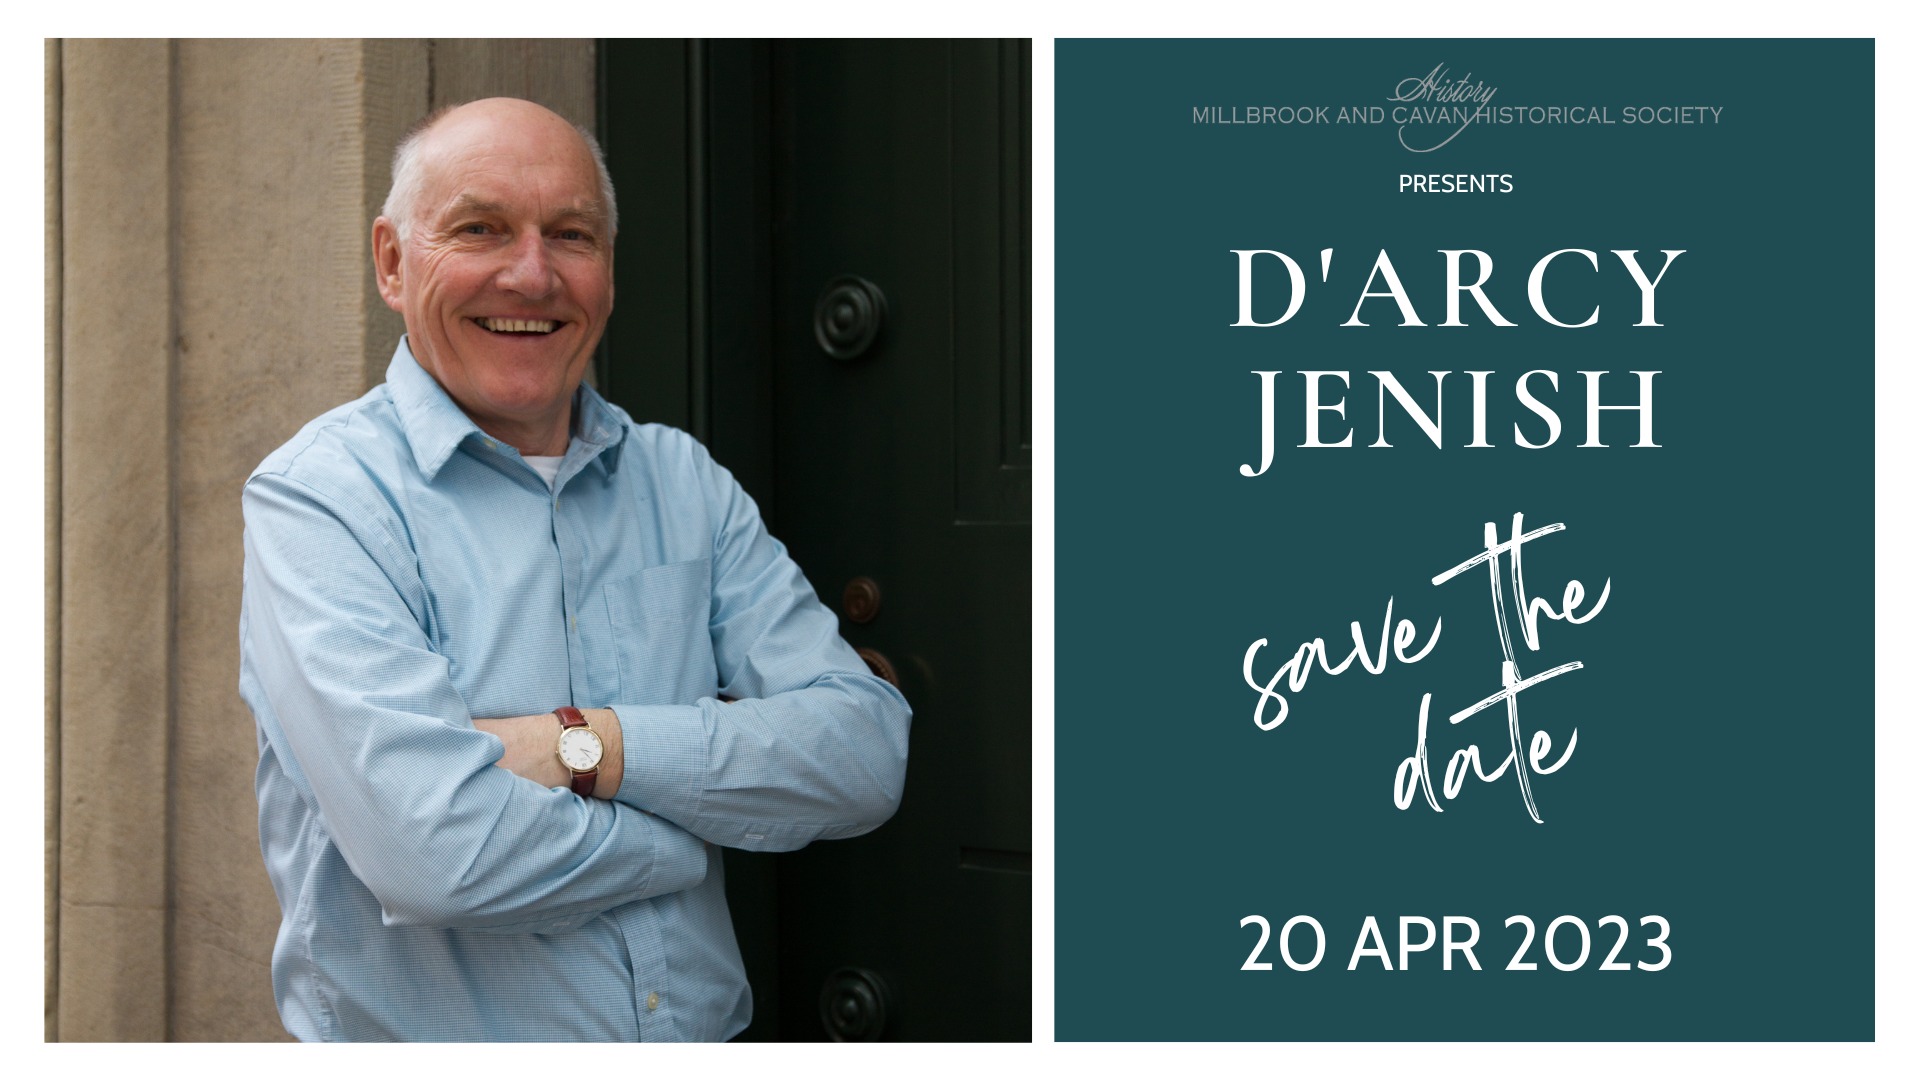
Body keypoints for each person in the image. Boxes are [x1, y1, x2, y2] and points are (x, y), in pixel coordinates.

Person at [238, 97, 911, 1042]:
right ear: (393, 262)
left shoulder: (683, 481)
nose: (532, 274)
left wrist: (580, 745)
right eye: (480, 229)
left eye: (572, 235)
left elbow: (866, 754)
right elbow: (438, 853)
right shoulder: (322, 501)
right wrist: (690, 827)